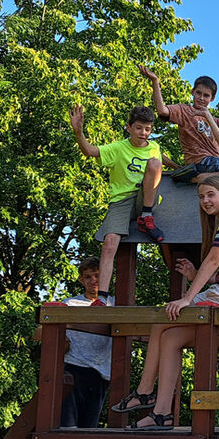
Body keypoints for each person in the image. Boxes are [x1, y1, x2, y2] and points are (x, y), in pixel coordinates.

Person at [111, 174, 219, 430]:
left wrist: (188, 297)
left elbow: (214, 258)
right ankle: (161, 412)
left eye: (211, 194)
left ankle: (144, 392)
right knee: (167, 333)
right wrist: (194, 277)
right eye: (201, 196)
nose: (205, 201)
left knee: (166, 316)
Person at [68, 104, 165, 299]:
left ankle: (146, 216)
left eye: (147, 129)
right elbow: (89, 151)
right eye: (138, 128)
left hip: (145, 197)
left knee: (155, 162)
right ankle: (102, 297)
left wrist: (179, 168)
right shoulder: (119, 148)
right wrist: (78, 132)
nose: (143, 133)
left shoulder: (154, 147)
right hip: (122, 200)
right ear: (128, 128)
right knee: (110, 242)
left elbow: (160, 162)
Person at [138, 65, 219, 187]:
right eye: (198, 93)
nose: (201, 98)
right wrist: (155, 81)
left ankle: (204, 178)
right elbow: (162, 111)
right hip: (199, 161)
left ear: (212, 98)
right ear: (192, 92)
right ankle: (196, 178)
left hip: (215, 161)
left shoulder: (214, 121)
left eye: (206, 95)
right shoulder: (184, 110)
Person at [59, 256, 113, 429]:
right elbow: (43, 330)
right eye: (88, 276)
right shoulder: (70, 304)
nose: (93, 280)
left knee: (89, 427)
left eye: (97, 275)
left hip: (101, 371)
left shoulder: (114, 304)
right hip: (73, 367)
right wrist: (62, 340)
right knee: (68, 426)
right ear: (81, 279)